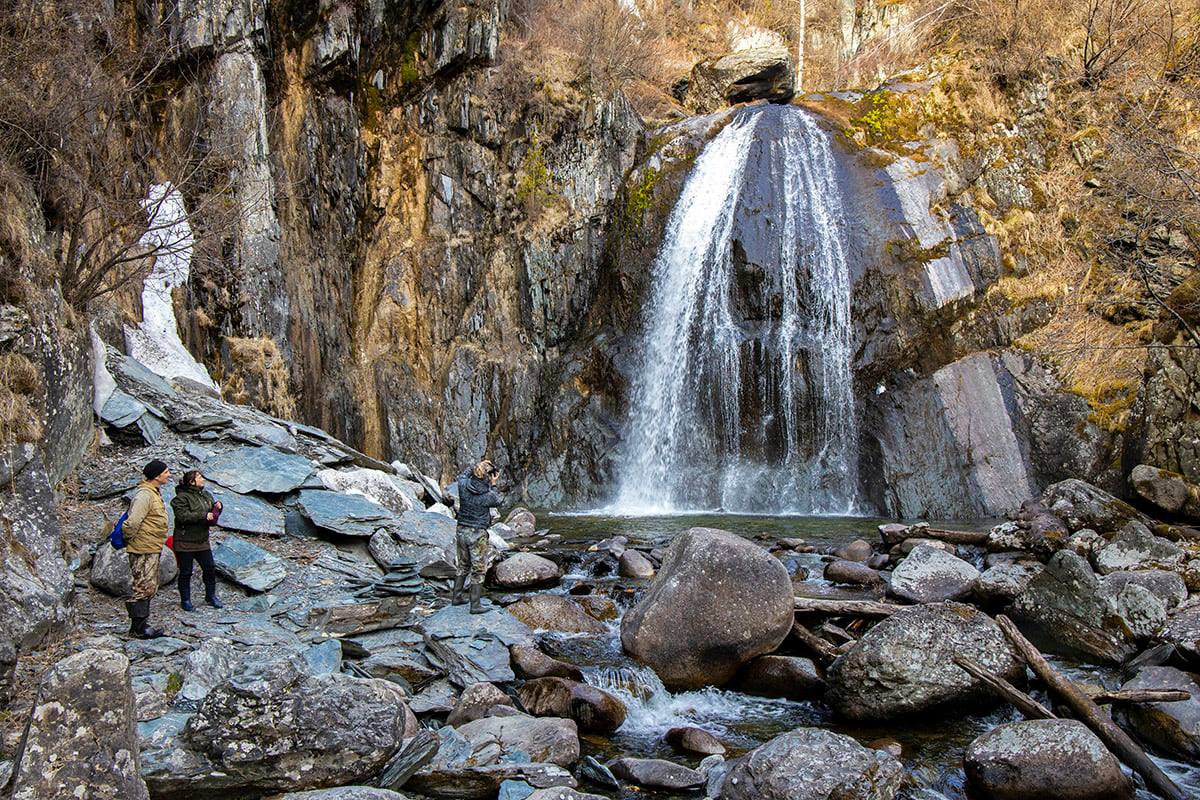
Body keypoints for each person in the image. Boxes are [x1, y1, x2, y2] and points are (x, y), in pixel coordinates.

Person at [124, 459, 172, 639]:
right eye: (166, 472)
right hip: (142, 548)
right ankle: (138, 627)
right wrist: (132, 539)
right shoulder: (144, 495)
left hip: (151, 546)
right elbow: (133, 521)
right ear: (157, 476)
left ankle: (141, 624)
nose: (169, 475)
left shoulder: (153, 493)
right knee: (143, 585)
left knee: (149, 585)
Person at [452, 459, 503, 614]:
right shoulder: (488, 495)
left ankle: (457, 597)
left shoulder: (462, 485)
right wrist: (494, 484)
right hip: (477, 534)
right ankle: (475, 605)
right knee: (478, 569)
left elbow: (462, 475)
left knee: (463, 565)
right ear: (488, 476)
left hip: (461, 530)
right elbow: (498, 500)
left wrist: (478, 465)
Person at [170, 470, 224, 612]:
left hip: (202, 540)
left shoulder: (206, 495)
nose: (202, 479)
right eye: (199, 477)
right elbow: (182, 516)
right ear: (191, 482)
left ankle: (210, 595)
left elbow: (212, 512)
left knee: (209, 568)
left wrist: (218, 506)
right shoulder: (180, 499)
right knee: (186, 571)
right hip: (185, 541)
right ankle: (185, 600)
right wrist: (203, 516)